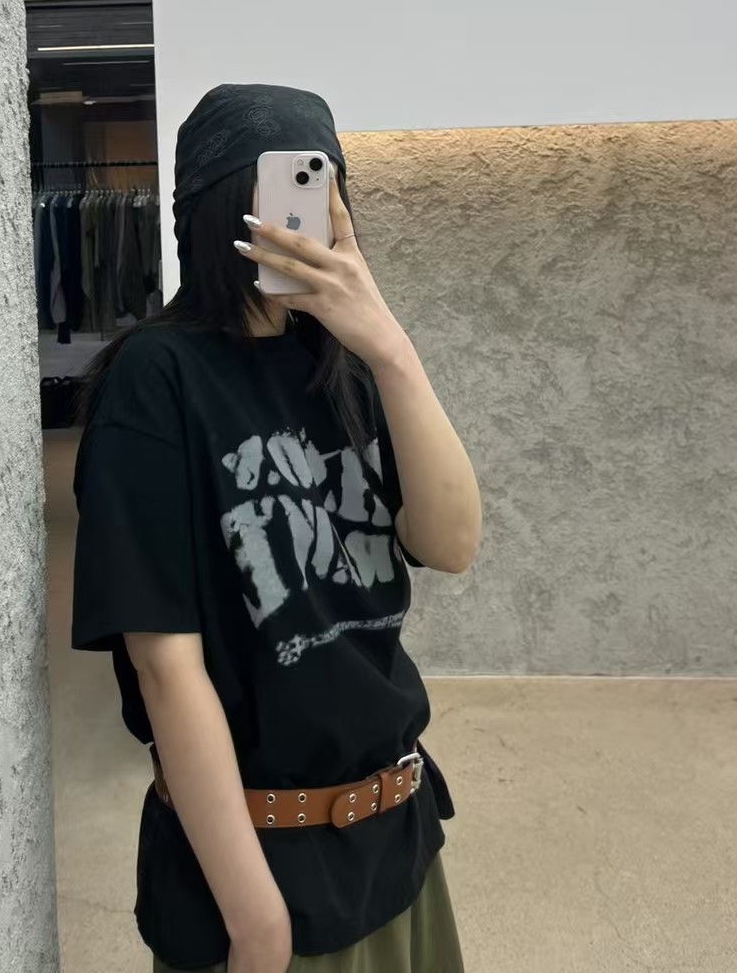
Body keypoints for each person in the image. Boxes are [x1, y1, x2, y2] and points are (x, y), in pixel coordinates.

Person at [72, 84, 483, 973]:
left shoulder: (342, 363)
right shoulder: (156, 377)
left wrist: (391, 348)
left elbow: (450, 543)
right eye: (287, 189)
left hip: (398, 838)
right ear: (220, 208)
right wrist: (254, 918)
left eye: (326, 191)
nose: (311, 219)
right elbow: (165, 664)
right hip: (261, 871)